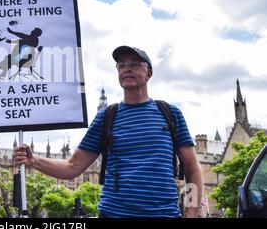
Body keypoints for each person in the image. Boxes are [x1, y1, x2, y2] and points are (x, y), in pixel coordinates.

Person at [13, 46, 203, 218]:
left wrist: (192, 212)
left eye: (134, 64)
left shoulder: (170, 114)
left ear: (149, 73)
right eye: (121, 65)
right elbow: (73, 167)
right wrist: (34, 161)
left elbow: (192, 170)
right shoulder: (106, 117)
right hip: (113, 213)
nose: (126, 69)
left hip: (164, 214)